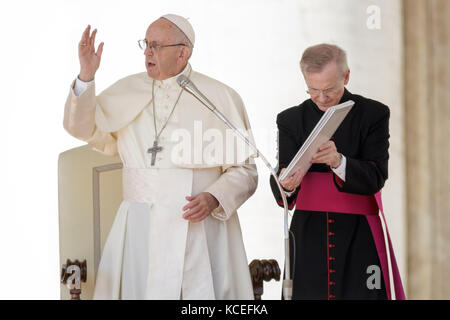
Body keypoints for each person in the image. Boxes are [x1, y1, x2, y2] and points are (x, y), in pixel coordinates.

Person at [63, 14, 258, 300]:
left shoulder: (220, 96)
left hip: (200, 223)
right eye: (146, 44)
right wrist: (86, 76)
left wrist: (214, 197)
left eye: (156, 45)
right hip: (140, 223)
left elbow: (245, 170)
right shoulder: (127, 90)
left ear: (183, 52)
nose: (147, 52)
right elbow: (80, 127)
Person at [270, 44, 405, 300]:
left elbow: (377, 177)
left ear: (346, 76)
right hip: (308, 234)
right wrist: (286, 183)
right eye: (313, 90)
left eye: (329, 89)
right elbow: (282, 179)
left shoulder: (373, 114)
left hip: (360, 233)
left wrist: (339, 161)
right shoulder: (290, 120)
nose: (321, 98)